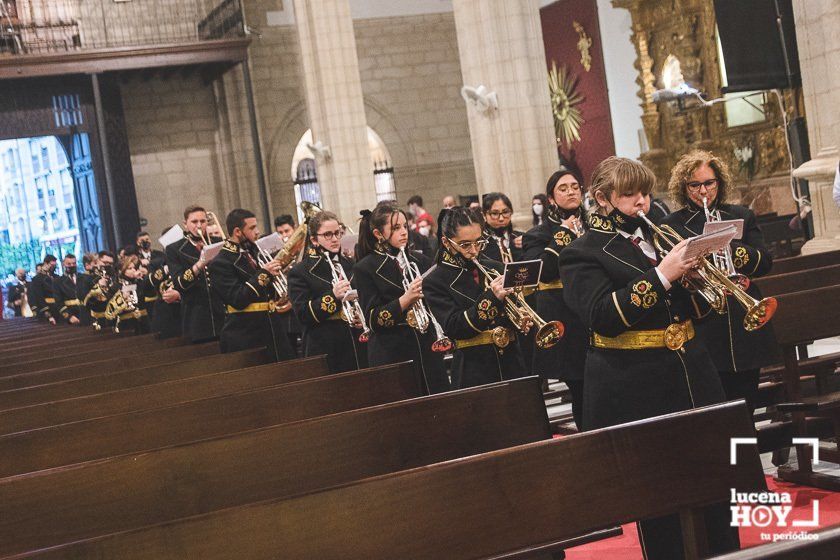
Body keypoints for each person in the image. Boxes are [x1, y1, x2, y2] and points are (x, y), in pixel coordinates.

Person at [558, 156, 737, 559]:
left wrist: (700, 283)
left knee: (715, 480)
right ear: (602, 198)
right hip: (636, 382)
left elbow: (693, 310)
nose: (641, 202)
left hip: (693, 371)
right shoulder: (581, 252)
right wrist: (663, 275)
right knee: (662, 499)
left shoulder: (661, 234)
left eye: (645, 192)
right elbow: (602, 317)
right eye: (629, 195)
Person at [662, 150, 776, 414]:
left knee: (747, 401)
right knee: (716, 405)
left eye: (709, 183)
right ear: (684, 187)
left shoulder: (740, 215)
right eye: (695, 185)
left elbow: (765, 262)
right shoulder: (673, 224)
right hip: (705, 321)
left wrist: (731, 248)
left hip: (743, 320)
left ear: (719, 183)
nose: (703, 190)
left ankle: (745, 451)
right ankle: (728, 453)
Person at [424, 206, 527, 388]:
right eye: (465, 245)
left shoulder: (495, 267)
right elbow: (455, 326)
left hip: (512, 362)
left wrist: (520, 318)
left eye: (479, 242)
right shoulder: (435, 280)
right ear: (446, 243)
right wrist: (492, 298)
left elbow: (511, 312)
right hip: (473, 369)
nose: (474, 250)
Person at [353, 203, 450, 393]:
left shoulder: (419, 261)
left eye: (405, 226)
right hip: (391, 351)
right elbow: (373, 319)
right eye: (396, 228)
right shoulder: (365, 268)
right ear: (378, 234)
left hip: (426, 346)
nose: (404, 232)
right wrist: (405, 299)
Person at [521, 167, 588, 428]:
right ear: (550, 198)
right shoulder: (537, 235)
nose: (571, 191)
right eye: (563, 188)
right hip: (566, 320)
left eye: (575, 186)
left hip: (593, 312)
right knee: (581, 387)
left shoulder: (593, 225)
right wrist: (562, 234)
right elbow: (541, 271)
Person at [208, 209, 295, 361]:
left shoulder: (255, 252)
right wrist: (265, 273)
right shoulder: (220, 262)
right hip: (246, 333)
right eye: (252, 228)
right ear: (237, 231)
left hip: (273, 328)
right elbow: (237, 299)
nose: (258, 231)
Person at [287, 210, 367, 373]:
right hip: (324, 346)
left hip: (356, 342)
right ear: (314, 240)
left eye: (338, 233)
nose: (335, 239)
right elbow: (302, 314)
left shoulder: (351, 264)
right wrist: (333, 296)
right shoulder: (301, 271)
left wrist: (362, 316)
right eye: (328, 235)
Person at [165, 206, 225, 343]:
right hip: (196, 315)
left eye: (203, 221)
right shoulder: (174, 249)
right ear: (185, 224)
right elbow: (179, 283)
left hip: (222, 311)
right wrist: (199, 264)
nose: (199, 225)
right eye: (194, 222)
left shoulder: (218, 242)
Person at [481, 192, 524, 263]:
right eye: (494, 213)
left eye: (505, 212)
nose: (501, 218)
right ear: (484, 215)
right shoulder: (480, 244)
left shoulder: (521, 238)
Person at [54, 253, 89, 325]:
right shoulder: (57, 282)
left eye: (74, 263)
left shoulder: (84, 277)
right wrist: (69, 316)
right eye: (69, 264)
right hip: (70, 317)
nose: (72, 266)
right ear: (63, 264)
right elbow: (58, 302)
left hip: (85, 314)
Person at [31, 255, 58, 324]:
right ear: (45, 264)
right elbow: (39, 297)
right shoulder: (37, 279)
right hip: (47, 308)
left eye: (55, 265)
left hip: (58, 308)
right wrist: (47, 312)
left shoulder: (56, 277)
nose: (54, 267)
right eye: (52, 265)